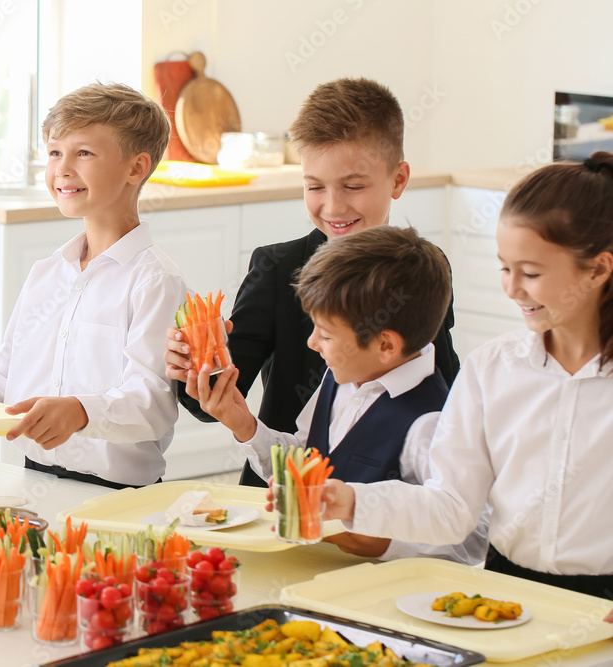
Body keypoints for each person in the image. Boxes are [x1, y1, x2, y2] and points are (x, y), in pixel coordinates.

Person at [320, 152, 613, 600]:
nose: (511, 288)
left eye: (531, 273)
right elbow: (452, 507)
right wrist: (353, 501)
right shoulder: (491, 369)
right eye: (504, 267)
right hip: (507, 593)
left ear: (598, 268)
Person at [165, 78, 461, 489]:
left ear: (398, 179)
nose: (334, 206)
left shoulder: (425, 270)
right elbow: (211, 400)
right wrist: (196, 364)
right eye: (314, 186)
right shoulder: (276, 268)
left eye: (353, 186)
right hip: (278, 485)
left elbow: (444, 390)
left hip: (387, 492)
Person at [0, 83, 189, 488]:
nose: (62, 169)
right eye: (55, 153)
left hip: (119, 495)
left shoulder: (155, 282)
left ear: (136, 168)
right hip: (33, 479)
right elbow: (2, 376)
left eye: (84, 153)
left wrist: (80, 411)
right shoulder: (47, 273)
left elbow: (152, 405)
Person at [196, 226, 486, 563]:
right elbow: (307, 460)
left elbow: (467, 542)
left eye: (327, 335)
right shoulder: (342, 377)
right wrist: (246, 426)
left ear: (385, 345)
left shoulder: (432, 422)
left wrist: (377, 543)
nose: (312, 343)